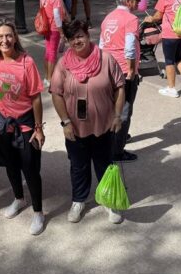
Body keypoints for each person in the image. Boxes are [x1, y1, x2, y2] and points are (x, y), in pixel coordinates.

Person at [51, 19, 126, 224]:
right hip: (75, 128)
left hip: (103, 125)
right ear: (66, 41)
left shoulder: (106, 59)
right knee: (78, 166)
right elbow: (56, 93)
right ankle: (79, 200)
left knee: (104, 164)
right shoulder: (63, 64)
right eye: (71, 38)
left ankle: (109, 200)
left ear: (88, 35)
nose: (76, 41)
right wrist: (65, 122)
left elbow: (120, 87)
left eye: (80, 36)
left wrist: (118, 115)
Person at [0, 19, 46, 236]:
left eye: (8, 35)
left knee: (30, 168)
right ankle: (19, 199)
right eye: (0, 36)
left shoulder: (26, 62)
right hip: (2, 123)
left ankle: (38, 212)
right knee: (11, 165)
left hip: (25, 122)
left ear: (15, 37)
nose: (5, 40)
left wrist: (38, 128)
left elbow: (36, 98)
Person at [100, 0, 145, 163]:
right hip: (123, 70)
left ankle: (115, 136)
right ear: (128, 1)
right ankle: (117, 149)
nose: (139, 2)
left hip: (108, 68)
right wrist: (132, 71)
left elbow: (102, 44)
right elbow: (129, 48)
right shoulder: (130, 19)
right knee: (125, 109)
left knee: (110, 106)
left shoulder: (108, 18)